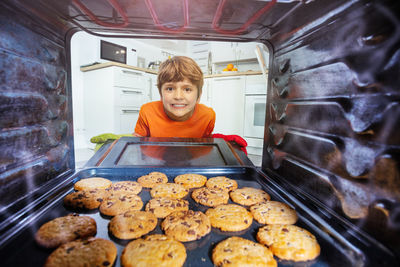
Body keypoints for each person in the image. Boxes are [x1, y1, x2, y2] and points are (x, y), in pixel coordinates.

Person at [134, 56, 215, 138]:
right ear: (160, 94)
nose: (178, 96)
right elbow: (137, 144)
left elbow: (205, 145)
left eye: (187, 89)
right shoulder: (147, 112)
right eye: (170, 89)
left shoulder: (208, 116)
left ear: (199, 95)